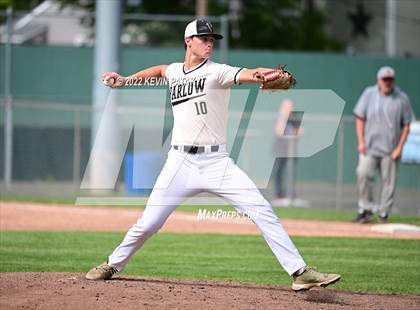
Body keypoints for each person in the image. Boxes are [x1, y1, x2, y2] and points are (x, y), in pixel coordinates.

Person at [86, 19, 340, 291]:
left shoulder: (217, 72)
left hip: (217, 163)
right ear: (188, 42)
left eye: (212, 39)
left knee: (262, 209)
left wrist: (262, 75)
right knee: (148, 223)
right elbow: (159, 71)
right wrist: (125, 80)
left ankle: (300, 272)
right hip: (180, 162)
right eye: (204, 38)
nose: (209, 43)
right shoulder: (174, 71)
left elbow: (248, 73)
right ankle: (113, 264)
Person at [352, 66, 414, 224]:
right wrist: (361, 141)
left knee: (389, 183)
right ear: (378, 80)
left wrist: (400, 148)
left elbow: (407, 125)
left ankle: (383, 213)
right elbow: (359, 117)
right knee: (363, 173)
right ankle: (365, 208)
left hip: (390, 149)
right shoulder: (369, 94)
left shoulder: (401, 98)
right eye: (384, 79)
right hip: (370, 147)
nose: (387, 82)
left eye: (390, 79)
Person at [271, 99, 300, 206]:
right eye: (288, 107)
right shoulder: (279, 117)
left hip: (291, 150)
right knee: (278, 172)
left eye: (291, 107)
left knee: (290, 171)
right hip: (279, 150)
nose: (290, 109)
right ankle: (279, 194)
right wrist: (284, 116)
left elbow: (299, 132)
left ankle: (291, 194)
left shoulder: (294, 119)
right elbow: (279, 131)